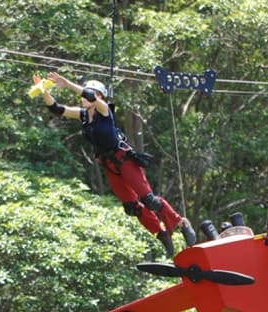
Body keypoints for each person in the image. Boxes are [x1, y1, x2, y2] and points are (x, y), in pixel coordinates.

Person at [33, 72, 196, 256]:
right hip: (108, 164)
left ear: (99, 96)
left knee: (148, 200)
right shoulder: (83, 115)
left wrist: (67, 83)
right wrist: (43, 90)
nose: (83, 98)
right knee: (131, 207)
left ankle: (180, 222)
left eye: (90, 94)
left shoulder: (104, 110)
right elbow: (56, 108)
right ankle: (161, 234)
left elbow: (89, 95)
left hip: (124, 159)